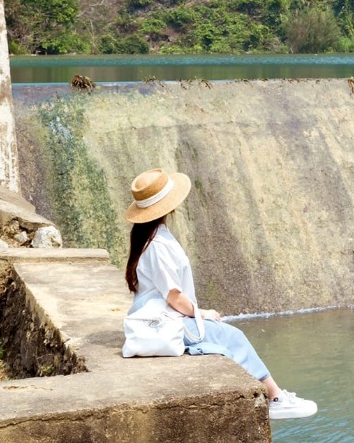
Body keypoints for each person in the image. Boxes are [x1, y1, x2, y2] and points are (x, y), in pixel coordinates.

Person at [124, 167, 318, 420]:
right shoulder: (158, 245)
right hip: (168, 323)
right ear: (168, 207)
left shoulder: (148, 237)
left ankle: (274, 395)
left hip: (163, 319)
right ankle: (276, 397)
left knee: (223, 334)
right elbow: (173, 296)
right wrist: (201, 313)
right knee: (231, 335)